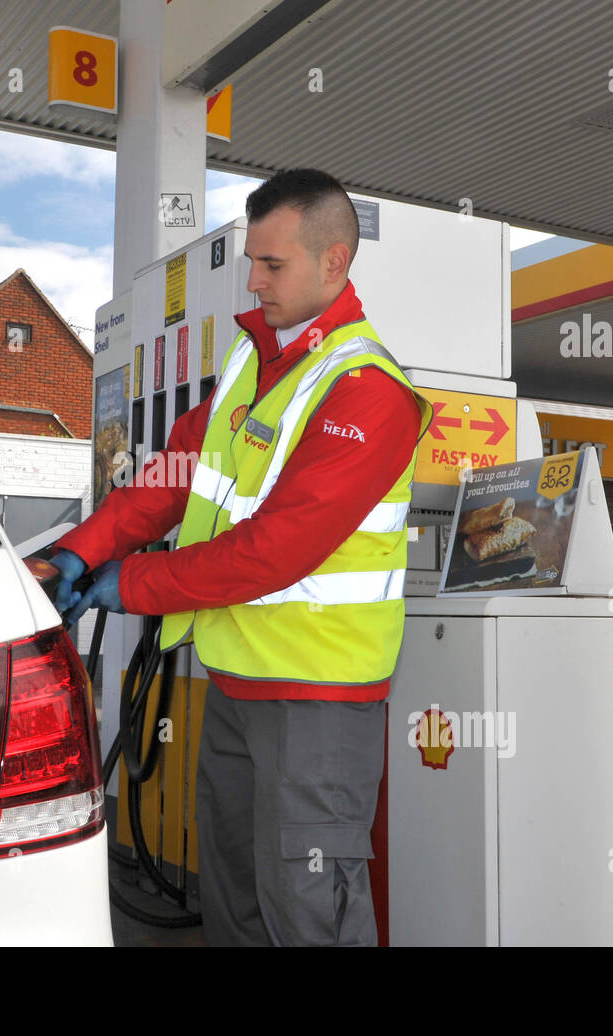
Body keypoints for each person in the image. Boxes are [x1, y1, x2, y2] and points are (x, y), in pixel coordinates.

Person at [55, 168, 433, 946]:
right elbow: (167, 478)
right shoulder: (250, 364)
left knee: (307, 909)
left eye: (272, 265)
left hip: (319, 698)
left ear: (333, 263)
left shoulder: (368, 392)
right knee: (233, 899)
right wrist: (76, 552)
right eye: (251, 262)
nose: (253, 281)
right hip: (234, 681)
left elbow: (274, 551)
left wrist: (133, 583)